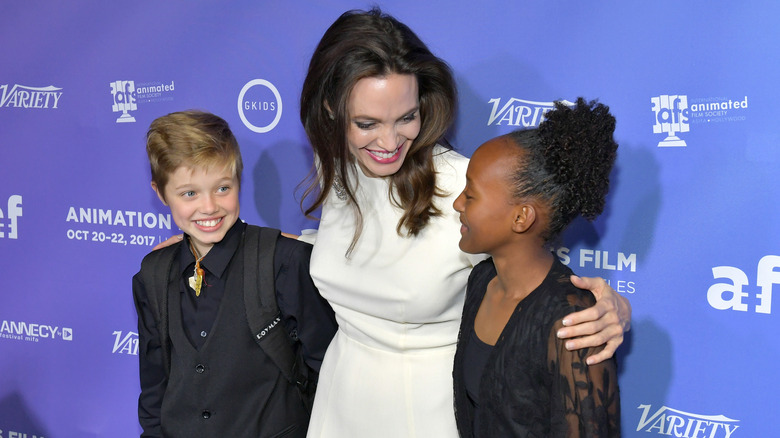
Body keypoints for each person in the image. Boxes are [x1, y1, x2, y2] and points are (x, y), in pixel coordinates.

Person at [297, 8, 630, 437]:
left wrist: (613, 310)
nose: (388, 142)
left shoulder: (466, 188)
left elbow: (533, 283)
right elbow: (359, 253)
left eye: (406, 117)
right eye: (366, 123)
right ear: (329, 109)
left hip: (425, 412)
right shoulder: (338, 165)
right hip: (338, 401)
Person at [132, 110, 336, 438]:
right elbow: (155, 386)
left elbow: (328, 370)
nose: (210, 207)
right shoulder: (153, 274)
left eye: (223, 188)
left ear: (239, 180)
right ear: (160, 193)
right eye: (189, 194)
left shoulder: (284, 261)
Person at [452, 98, 621, 437]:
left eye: (470, 195)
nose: (457, 203)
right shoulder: (482, 279)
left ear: (521, 217)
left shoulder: (573, 320)